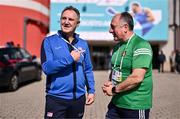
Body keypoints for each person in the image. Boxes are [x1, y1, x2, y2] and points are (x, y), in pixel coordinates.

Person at [41, 6, 95, 119]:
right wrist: (69, 59)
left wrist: (91, 91)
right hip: (56, 99)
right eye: (63, 18)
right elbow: (47, 68)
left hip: (78, 99)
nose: (66, 22)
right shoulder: (49, 41)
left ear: (77, 23)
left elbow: (88, 69)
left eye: (70, 19)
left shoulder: (83, 44)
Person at [102, 12, 153, 119]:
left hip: (135, 106)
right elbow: (115, 69)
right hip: (116, 104)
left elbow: (137, 78)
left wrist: (114, 90)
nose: (110, 30)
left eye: (113, 27)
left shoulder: (141, 45)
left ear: (125, 27)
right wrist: (111, 82)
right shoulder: (117, 47)